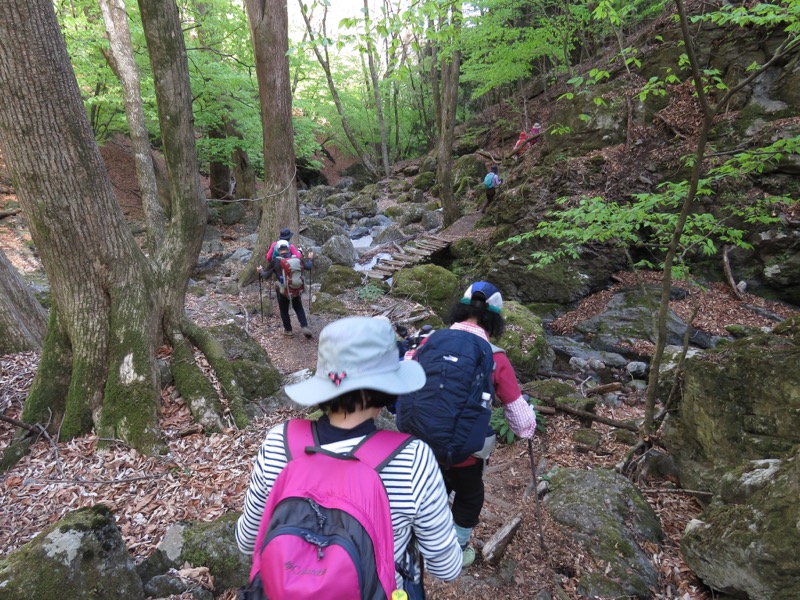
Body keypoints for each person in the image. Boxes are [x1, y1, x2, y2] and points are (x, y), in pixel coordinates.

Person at [235, 316, 463, 596]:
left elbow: (247, 541)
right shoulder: (415, 459)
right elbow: (446, 568)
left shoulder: (278, 443)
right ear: (387, 389)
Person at [405, 282, 537, 568]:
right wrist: (530, 416)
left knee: (429, 491)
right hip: (463, 453)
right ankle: (456, 550)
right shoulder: (496, 357)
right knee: (469, 496)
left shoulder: (430, 341)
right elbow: (523, 426)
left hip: (420, 444)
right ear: (494, 319)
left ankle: (421, 540)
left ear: (460, 308)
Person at [259, 239, 314, 338]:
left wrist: (260, 270)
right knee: (298, 307)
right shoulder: (297, 259)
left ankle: (288, 330)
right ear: (288, 249)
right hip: (296, 288)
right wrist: (310, 259)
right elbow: (308, 267)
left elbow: (266, 276)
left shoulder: (275, 261)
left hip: (282, 290)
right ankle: (304, 326)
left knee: (284, 310)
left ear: (278, 250)